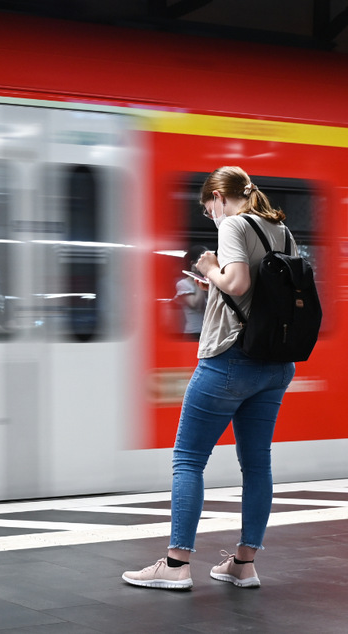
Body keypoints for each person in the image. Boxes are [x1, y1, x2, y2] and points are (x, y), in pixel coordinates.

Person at [123, 166, 297, 590]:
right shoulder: (282, 231)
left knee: (188, 460)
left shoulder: (234, 223)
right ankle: (243, 563)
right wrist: (216, 280)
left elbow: (236, 283)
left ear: (219, 197)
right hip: (275, 365)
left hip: (229, 360)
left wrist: (210, 265)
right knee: (257, 464)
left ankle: (176, 564)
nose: (210, 216)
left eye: (207, 209)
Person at [172, 246, 208, 339]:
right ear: (193, 263)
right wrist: (198, 277)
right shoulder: (183, 284)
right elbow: (196, 305)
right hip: (194, 334)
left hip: (209, 334)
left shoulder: (210, 282)